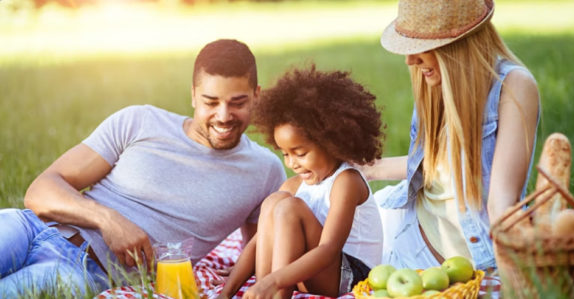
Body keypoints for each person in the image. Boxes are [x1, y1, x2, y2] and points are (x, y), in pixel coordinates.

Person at [0, 39, 286, 297]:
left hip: (87, 272)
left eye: (237, 103)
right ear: (193, 95)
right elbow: (40, 190)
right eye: (211, 102)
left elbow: (260, 250)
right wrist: (108, 221)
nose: (223, 116)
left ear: (256, 95)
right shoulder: (139, 122)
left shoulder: (266, 171)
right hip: (29, 228)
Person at [359, 0, 540, 272]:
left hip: (466, 261)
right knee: (309, 214)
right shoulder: (434, 83)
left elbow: (502, 201)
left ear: (457, 44)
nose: (410, 60)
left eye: (421, 48)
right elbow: (437, 164)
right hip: (407, 231)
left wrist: (516, 275)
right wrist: (369, 168)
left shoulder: (513, 87)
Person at [217, 66, 385, 299]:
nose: (292, 163)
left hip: (351, 277)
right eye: (285, 154)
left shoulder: (346, 182)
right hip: (307, 275)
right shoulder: (294, 185)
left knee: (289, 207)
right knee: (275, 201)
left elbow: (328, 250)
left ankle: (275, 292)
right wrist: (226, 293)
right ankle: (264, 294)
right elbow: (259, 241)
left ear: (331, 142)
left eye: (300, 152)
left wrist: (274, 281)